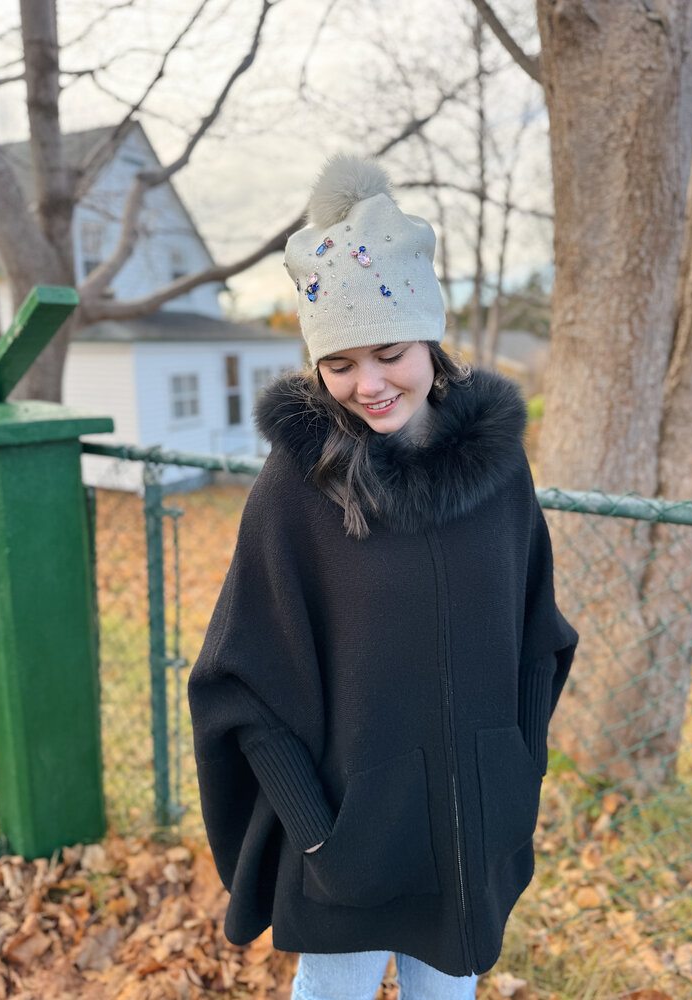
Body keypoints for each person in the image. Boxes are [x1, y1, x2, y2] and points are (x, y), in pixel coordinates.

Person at [187, 154, 580, 1000]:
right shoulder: (298, 489)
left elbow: (537, 637)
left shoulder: (499, 473)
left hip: (475, 832)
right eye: (340, 364)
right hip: (349, 846)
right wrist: (318, 831)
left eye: (389, 352)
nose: (368, 384)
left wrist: (516, 766)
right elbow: (237, 684)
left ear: (431, 341)